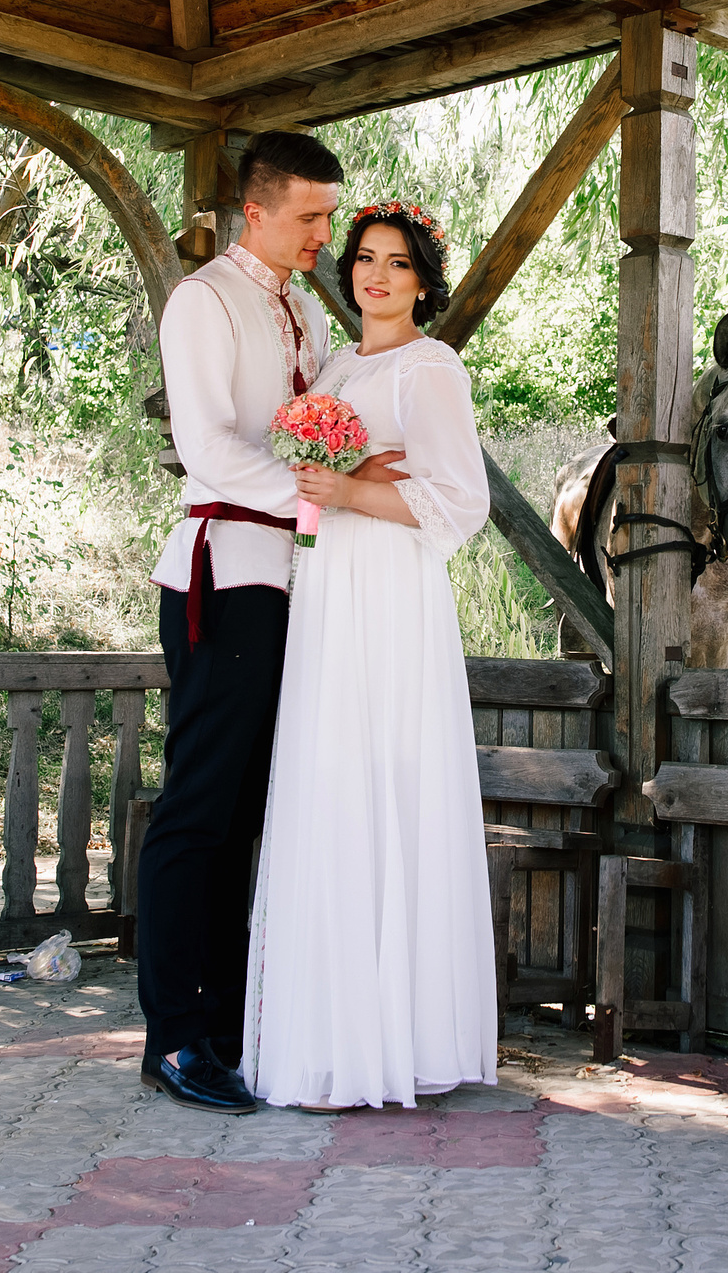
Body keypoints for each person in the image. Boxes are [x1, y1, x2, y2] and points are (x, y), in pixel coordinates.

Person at [141, 130, 401, 1116]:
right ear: (255, 209)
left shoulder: (301, 309)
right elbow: (206, 447)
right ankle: (173, 1038)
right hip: (222, 574)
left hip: (289, 584)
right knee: (200, 810)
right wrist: (321, 496)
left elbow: (336, 409)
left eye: (331, 218)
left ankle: (230, 1020)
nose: (324, 237)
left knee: (254, 811)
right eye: (309, 219)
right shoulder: (203, 302)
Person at [241, 202, 499, 1111]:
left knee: (384, 773)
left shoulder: (431, 369)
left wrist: (353, 489)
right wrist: (328, 495)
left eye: (396, 264)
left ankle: (398, 1037)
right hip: (328, 581)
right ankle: (328, 1032)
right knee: (328, 775)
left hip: (390, 590)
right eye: (363, 259)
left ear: (423, 280)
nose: (375, 276)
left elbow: (460, 503)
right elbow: (321, 487)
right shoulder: (339, 364)